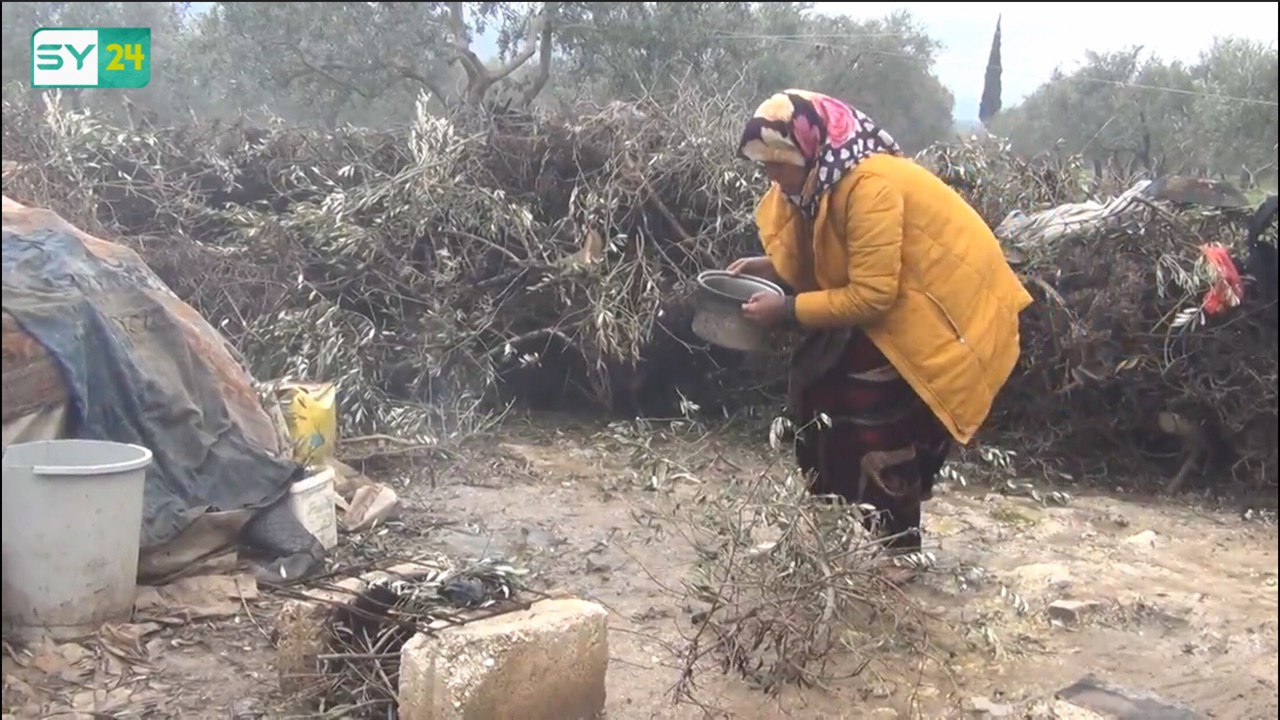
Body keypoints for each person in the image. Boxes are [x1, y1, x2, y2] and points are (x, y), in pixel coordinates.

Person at [727, 89, 1033, 557]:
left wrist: (786, 309)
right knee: (815, 391)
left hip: (942, 316)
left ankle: (900, 547)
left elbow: (871, 296)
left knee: (871, 415)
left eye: (777, 162)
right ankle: (825, 534)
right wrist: (770, 266)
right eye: (763, 163)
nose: (770, 174)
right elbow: (837, 249)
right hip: (901, 304)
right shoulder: (818, 180)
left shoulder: (870, 187)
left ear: (808, 149)